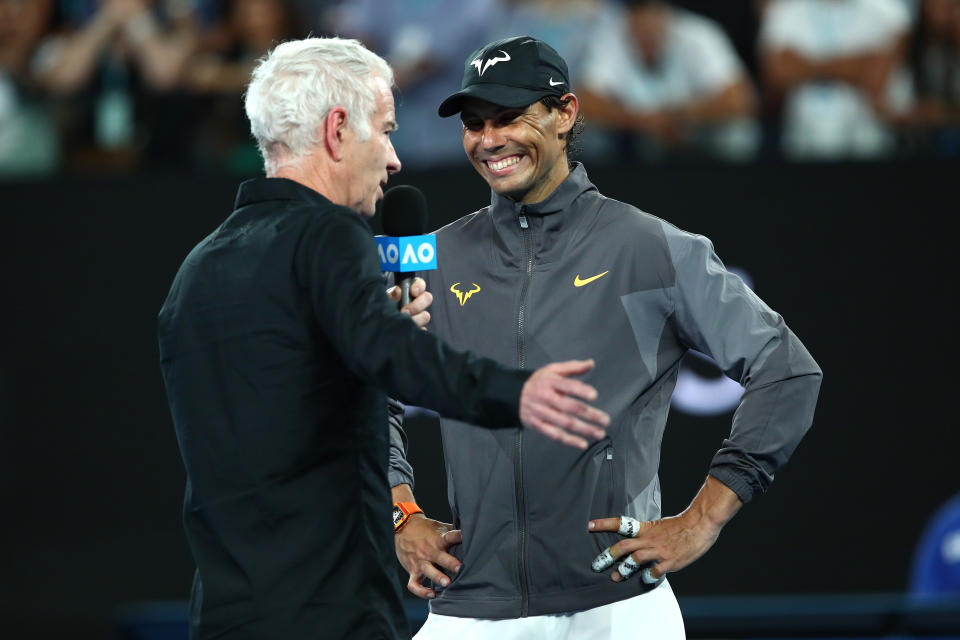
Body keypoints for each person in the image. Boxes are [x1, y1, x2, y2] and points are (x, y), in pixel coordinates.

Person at [157, 37, 610, 640]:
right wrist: (519, 392)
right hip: (329, 610)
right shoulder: (328, 235)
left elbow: (276, 404)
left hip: (225, 613)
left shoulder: (199, 267)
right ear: (338, 129)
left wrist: (371, 330)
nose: (394, 160)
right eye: (387, 131)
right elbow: (402, 362)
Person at [389, 35, 822, 638]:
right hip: (471, 606)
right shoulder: (433, 257)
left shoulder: (649, 248)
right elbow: (365, 390)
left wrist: (702, 520)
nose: (489, 141)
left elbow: (788, 372)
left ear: (564, 113)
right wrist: (400, 512)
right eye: (474, 124)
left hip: (615, 607)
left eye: (510, 118)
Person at [578, 0, 759, 160]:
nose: (647, 33)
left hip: (695, 129)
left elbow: (740, 100)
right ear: (629, 20)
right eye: (640, 27)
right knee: (589, 136)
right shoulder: (611, 35)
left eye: (653, 23)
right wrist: (643, 122)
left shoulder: (699, 34)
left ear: (666, 16)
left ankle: (729, 191)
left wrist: (679, 118)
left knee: (739, 134)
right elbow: (586, 103)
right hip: (634, 134)